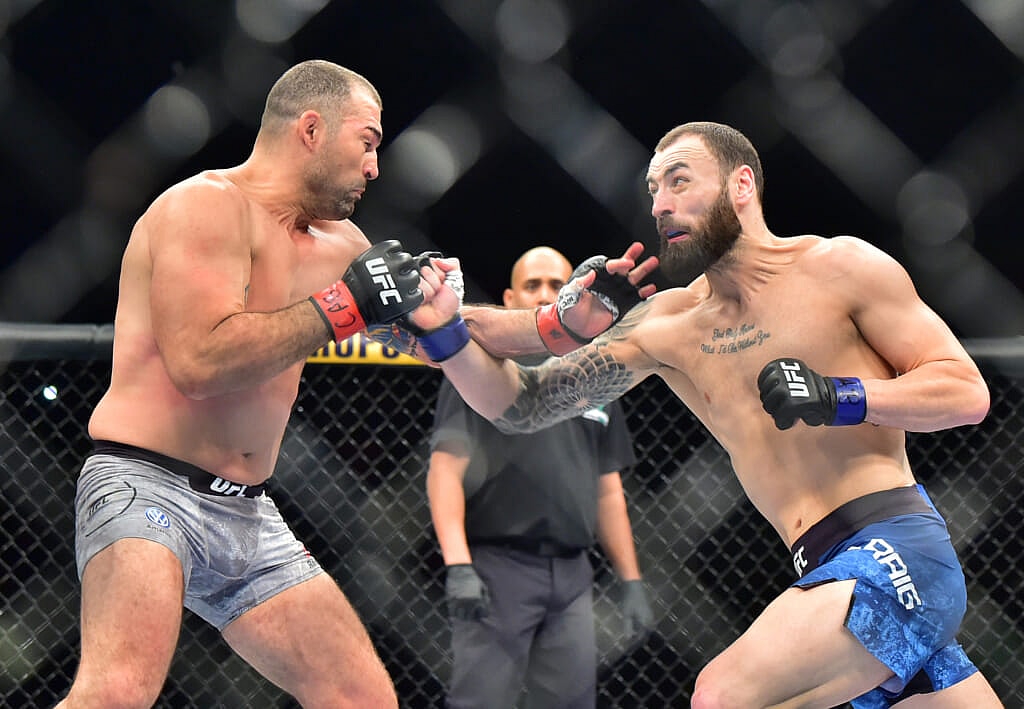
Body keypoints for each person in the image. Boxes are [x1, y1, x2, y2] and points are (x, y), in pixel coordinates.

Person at [408, 122, 1005, 707]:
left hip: (896, 548)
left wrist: (840, 395)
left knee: (722, 696)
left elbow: (963, 391)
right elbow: (522, 404)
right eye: (653, 191)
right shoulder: (667, 323)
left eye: (679, 181)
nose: (662, 204)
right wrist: (447, 331)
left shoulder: (839, 268)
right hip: (823, 569)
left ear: (740, 185)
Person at [57, 60, 437, 709]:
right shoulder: (202, 208)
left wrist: (563, 320)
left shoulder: (342, 242)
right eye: (367, 142)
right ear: (312, 130)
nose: (376, 168)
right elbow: (200, 364)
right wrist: (343, 304)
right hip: (147, 484)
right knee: (117, 692)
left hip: (246, 511)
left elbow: (433, 333)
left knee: (362, 696)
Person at [427, 246, 653, 709]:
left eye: (556, 285)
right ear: (509, 298)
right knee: (481, 701)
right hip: (498, 568)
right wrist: (459, 565)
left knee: (570, 702)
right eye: (534, 285)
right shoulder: (478, 370)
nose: (545, 293)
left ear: (576, 296)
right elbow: (445, 471)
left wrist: (630, 579)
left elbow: (608, 488)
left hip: (572, 572)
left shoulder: (595, 374)